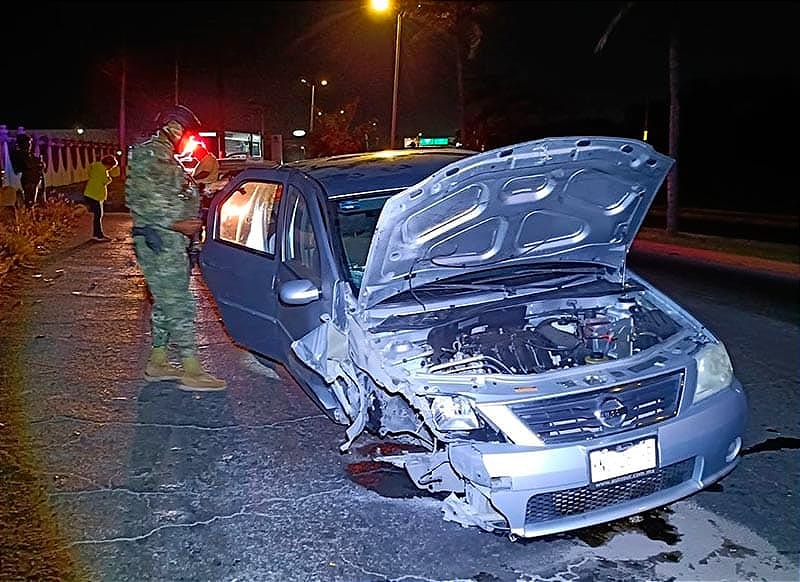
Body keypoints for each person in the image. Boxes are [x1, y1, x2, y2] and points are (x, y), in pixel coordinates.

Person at [125, 104, 226, 391]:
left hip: (170, 240)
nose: (187, 139)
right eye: (187, 133)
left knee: (166, 301)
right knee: (179, 303)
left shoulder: (166, 157)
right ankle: (191, 369)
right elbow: (137, 199)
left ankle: (158, 361)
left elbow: (174, 192)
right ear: (175, 127)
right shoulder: (150, 153)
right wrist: (177, 224)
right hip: (159, 240)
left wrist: (204, 185)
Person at [83, 154, 118, 241]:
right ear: (109, 164)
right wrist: (109, 178)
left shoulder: (95, 166)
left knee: (97, 215)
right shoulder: (103, 170)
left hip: (90, 193)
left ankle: (97, 234)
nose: (110, 169)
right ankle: (98, 235)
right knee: (98, 215)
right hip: (95, 195)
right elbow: (105, 181)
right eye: (111, 167)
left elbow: (89, 173)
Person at [11, 134, 47, 207]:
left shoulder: (29, 153)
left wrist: (40, 164)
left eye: (30, 143)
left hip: (36, 180)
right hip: (29, 181)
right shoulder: (20, 154)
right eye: (28, 143)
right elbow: (28, 164)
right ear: (22, 143)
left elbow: (39, 163)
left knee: (35, 201)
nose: (29, 145)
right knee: (30, 202)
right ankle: (29, 215)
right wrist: (38, 164)